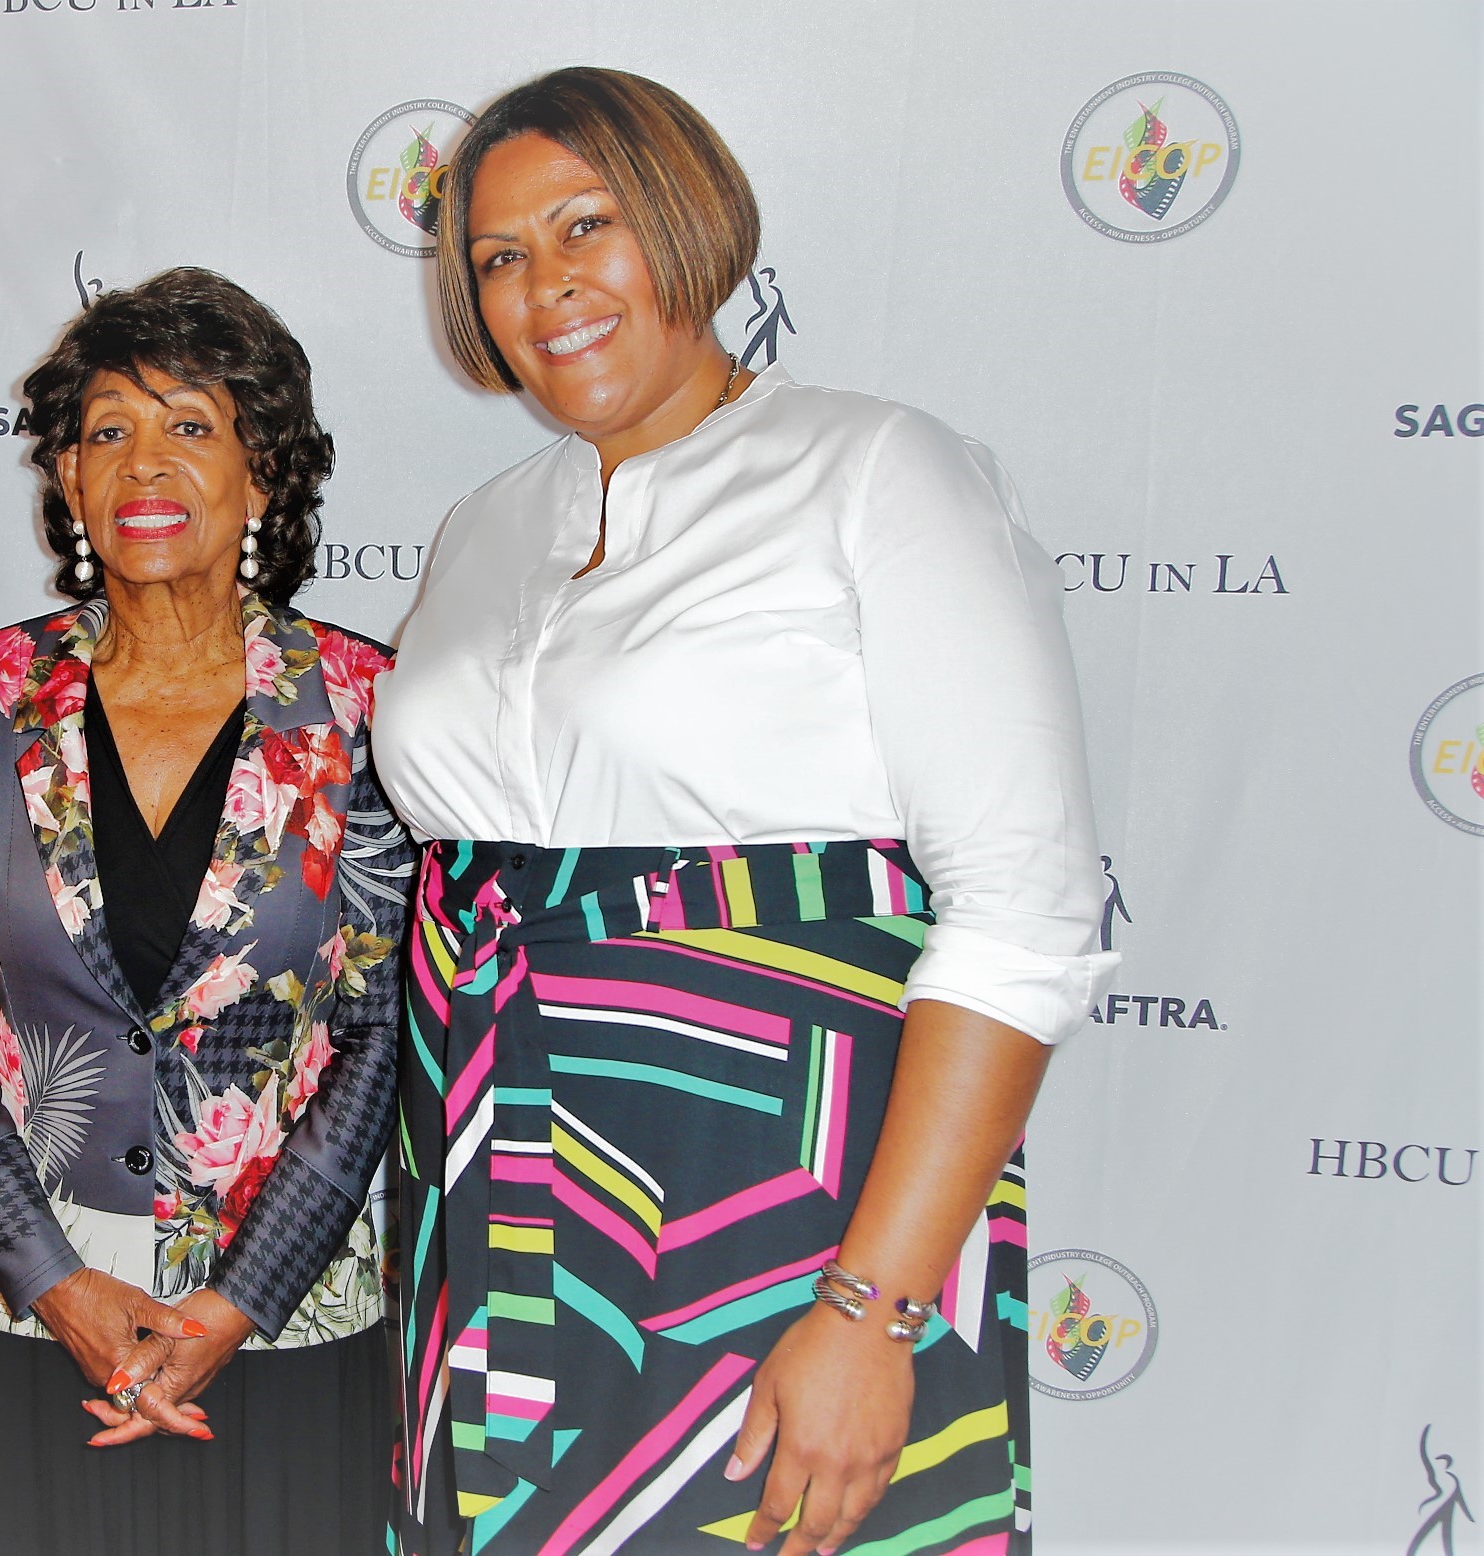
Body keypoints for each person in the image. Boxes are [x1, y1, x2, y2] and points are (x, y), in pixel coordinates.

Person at [373, 68, 1117, 1556]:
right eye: (498, 259)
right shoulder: (482, 528)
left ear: (687, 221)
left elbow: (1021, 916)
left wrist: (872, 1307)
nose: (544, 288)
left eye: (585, 227)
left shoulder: (874, 469)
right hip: (496, 1186)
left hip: (782, 1203)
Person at [0, 267, 412, 1555]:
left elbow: (378, 1027)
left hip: (280, 1322)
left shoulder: (365, 700)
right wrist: (54, 1282)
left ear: (265, 472)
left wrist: (240, 1298)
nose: (142, 466)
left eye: (191, 426)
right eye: (106, 432)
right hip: (33, 1312)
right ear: (67, 481)